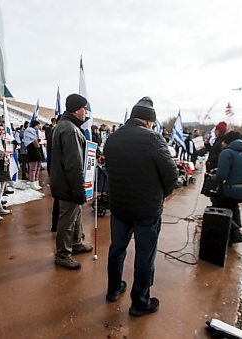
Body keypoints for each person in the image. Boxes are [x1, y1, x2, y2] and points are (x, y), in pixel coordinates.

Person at [104, 97, 177, 316]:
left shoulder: (113, 138)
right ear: (148, 121)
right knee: (144, 256)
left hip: (119, 208)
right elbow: (171, 176)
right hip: (146, 210)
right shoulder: (153, 139)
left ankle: (114, 289)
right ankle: (140, 302)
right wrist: (162, 195)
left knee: (116, 249)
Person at [50, 94, 93, 270]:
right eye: (84, 108)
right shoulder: (70, 130)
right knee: (67, 220)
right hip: (68, 184)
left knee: (75, 216)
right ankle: (63, 254)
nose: (86, 112)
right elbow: (74, 165)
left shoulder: (66, 127)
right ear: (76, 110)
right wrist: (79, 190)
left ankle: (75, 244)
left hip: (65, 182)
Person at [210, 131, 242, 244]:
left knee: (218, 206)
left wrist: (213, 177)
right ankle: (236, 228)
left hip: (234, 190)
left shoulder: (227, 153)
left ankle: (233, 233)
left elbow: (222, 176)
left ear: (227, 141)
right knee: (231, 204)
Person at [46, 116, 60, 232]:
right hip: (59, 170)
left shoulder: (53, 132)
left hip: (53, 168)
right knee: (61, 199)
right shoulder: (58, 132)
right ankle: (56, 224)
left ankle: (54, 224)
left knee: (57, 198)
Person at [23, 120, 43, 190]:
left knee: (37, 167)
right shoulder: (30, 131)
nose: (39, 127)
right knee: (33, 168)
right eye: (37, 125)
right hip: (32, 151)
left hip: (36, 151)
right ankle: (32, 182)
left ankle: (36, 181)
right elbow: (36, 142)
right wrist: (37, 143)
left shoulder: (34, 131)